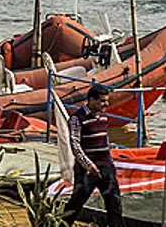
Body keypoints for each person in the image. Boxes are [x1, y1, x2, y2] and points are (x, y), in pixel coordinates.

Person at [64, 84, 123, 226]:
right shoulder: (77, 119)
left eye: (106, 101)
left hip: (105, 167)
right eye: (102, 101)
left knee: (114, 204)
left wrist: (110, 163)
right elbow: (75, 144)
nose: (106, 104)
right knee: (76, 203)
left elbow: (105, 140)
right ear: (91, 100)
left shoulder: (103, 117)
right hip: (86, 170)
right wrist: (88, 165)